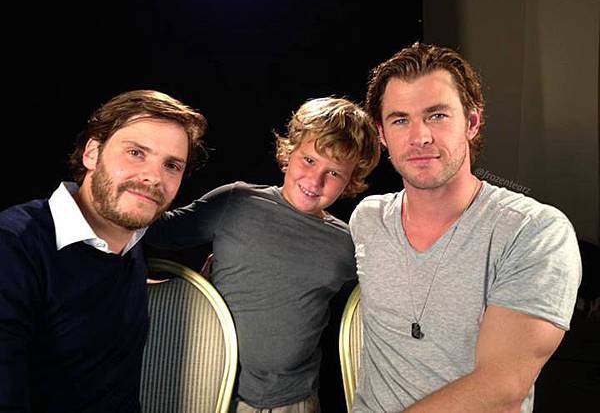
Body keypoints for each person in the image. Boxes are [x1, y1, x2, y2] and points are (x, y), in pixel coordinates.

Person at [349, 43, 582, 412]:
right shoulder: (368, 219)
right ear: (381, 133)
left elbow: (502, 388)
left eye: (437, 115)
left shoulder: (533, 232)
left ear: (472, 122)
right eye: (400, 120)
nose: (420, 137)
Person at [145, 97, 380, 412]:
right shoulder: (237, 202)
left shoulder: (346, 243)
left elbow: (376, 308)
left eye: (334, 173)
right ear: (289, 152)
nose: (315, 180)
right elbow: (152, 231)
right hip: (209, 392)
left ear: (351, 180)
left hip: (293, 401)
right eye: (309, 160)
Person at [0, 90, 207, 412]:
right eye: (136, 153)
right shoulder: (14, 245)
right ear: (92, 153)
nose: (154, 177)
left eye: (171, 165)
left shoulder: (130, 243)